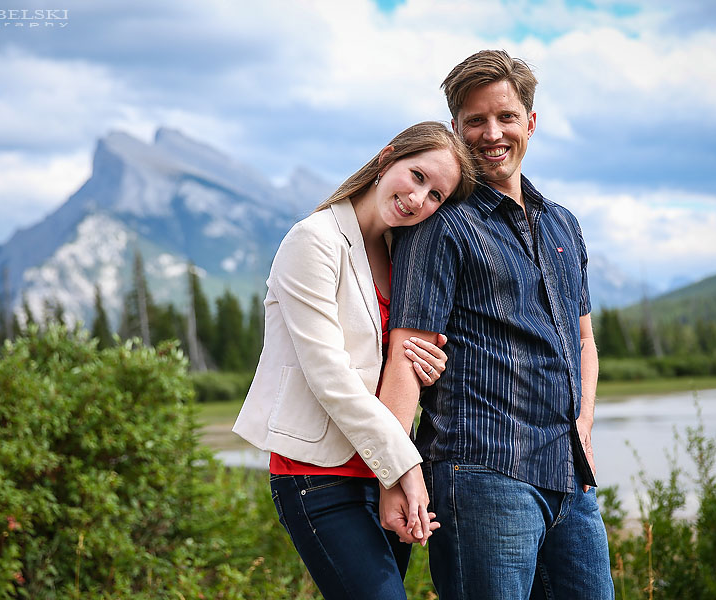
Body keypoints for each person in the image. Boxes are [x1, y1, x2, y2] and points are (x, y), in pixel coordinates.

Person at [378, 51, 615, 599]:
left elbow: (582, 339)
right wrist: (394, 473)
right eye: (474, 121)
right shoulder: (440, 224)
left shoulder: (562, 223)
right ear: (457, 131)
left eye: (505, 117)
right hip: (482, 474)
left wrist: (583, 420)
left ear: (530, 121)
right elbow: (406, 355)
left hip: (570, 478)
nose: (492, 133)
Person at [232, 121, 475, 599]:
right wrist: (407, 468)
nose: (419, 200)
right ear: (387, 159)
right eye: (418, 176)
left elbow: (392, 367)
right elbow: (331, 377)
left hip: (381, 473)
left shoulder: (399, 251)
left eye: (436, 197)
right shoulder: (314, 240)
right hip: (319, 477)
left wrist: (426, 366)